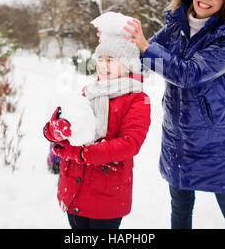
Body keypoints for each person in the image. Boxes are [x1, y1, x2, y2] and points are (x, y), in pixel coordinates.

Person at [124, 0, 225, 229]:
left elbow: (188, 74)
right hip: (179, 137)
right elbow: (142, 57)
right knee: (180, 209)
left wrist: (145, 48)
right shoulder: (176, 26)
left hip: (217, 142)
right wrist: (120, 43)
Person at [43, 13, 151, 229]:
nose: (103, 65)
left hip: (107, 194)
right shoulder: (88, 92)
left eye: (110, 60)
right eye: (100, 60)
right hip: (73, 189)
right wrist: (57, 130)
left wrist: (80, 153)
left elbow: (129, 144)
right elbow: (49, 130)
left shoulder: (138, 99)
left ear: (128, 64)